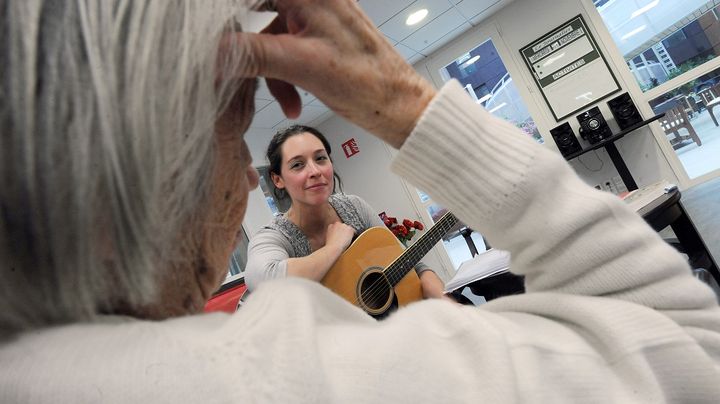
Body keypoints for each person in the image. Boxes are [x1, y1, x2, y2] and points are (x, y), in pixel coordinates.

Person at [1, 0, 719, 402]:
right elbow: (693, 349)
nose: (294, 173)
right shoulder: (279, 289)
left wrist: (432, 289)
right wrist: (406, 104)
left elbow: (401, 265)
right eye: (287, 162)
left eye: (321, 158)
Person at [244, 124, 446, 299]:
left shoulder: (354, 207)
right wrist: (333, 248)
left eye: (321, 158)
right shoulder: (273, 237)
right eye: (298, 165)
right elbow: (267, 284)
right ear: (277, 179)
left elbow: (401, 260)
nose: (315, 171)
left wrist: (429, 280)